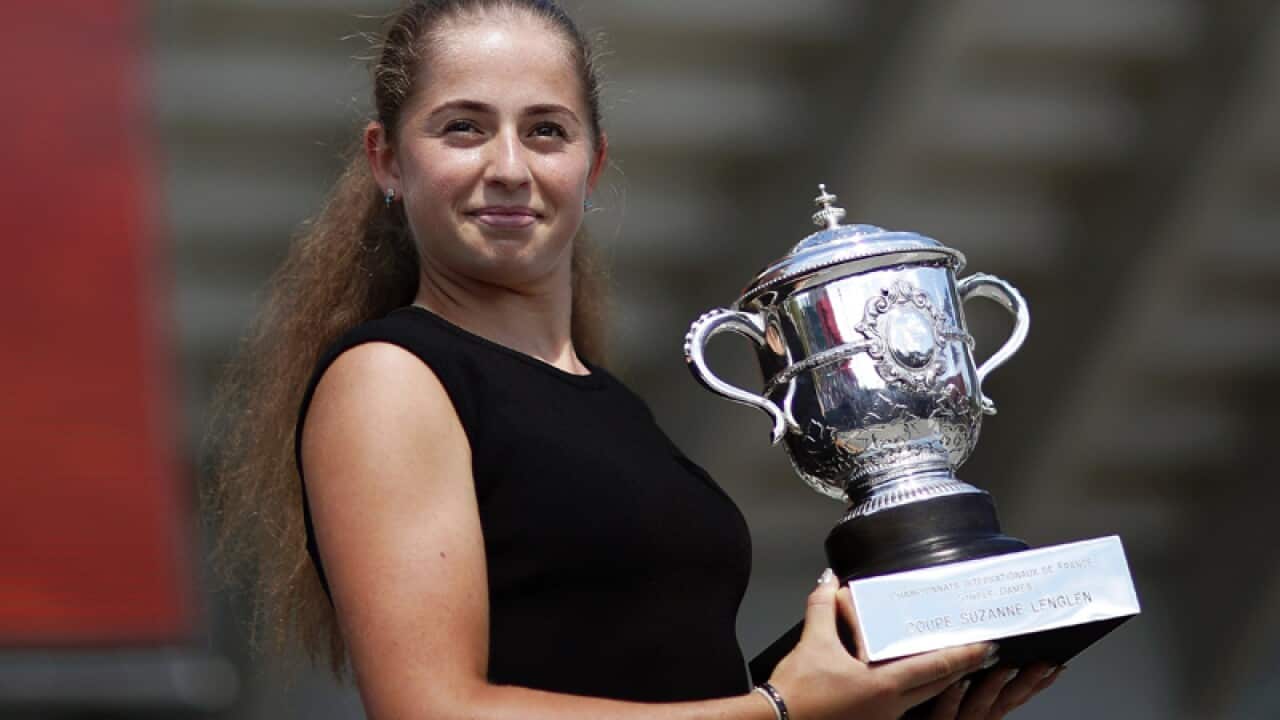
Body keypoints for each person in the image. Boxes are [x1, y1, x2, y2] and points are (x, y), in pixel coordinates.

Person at [206, 1, 1064, 718]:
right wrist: (779, 711)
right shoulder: (391, 378)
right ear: (387, 159)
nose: (509, 167)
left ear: (593, 163)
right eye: (462, 128)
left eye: (546, 131)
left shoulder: (610, 402)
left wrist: (880, 704)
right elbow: (437, 711)